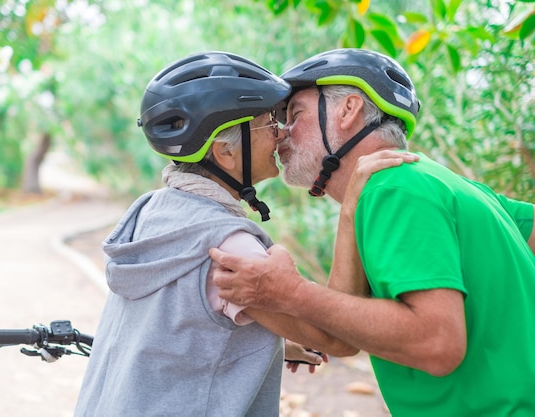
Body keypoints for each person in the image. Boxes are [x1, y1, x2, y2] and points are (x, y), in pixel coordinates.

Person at [73, 51, 414, 416]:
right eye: (269, 123)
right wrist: (350, 209)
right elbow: (340, 337)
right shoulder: (227, 244)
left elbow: (176, 324)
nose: (282, 131)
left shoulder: (151, 212)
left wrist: (269, 337)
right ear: (224, 152)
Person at [210, 48, 535, 417]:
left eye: (295, 113)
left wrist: (292, 292)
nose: (283, 131)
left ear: (349, 110)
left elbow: (437, 343)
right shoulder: (442, 183)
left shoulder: (392, 189)